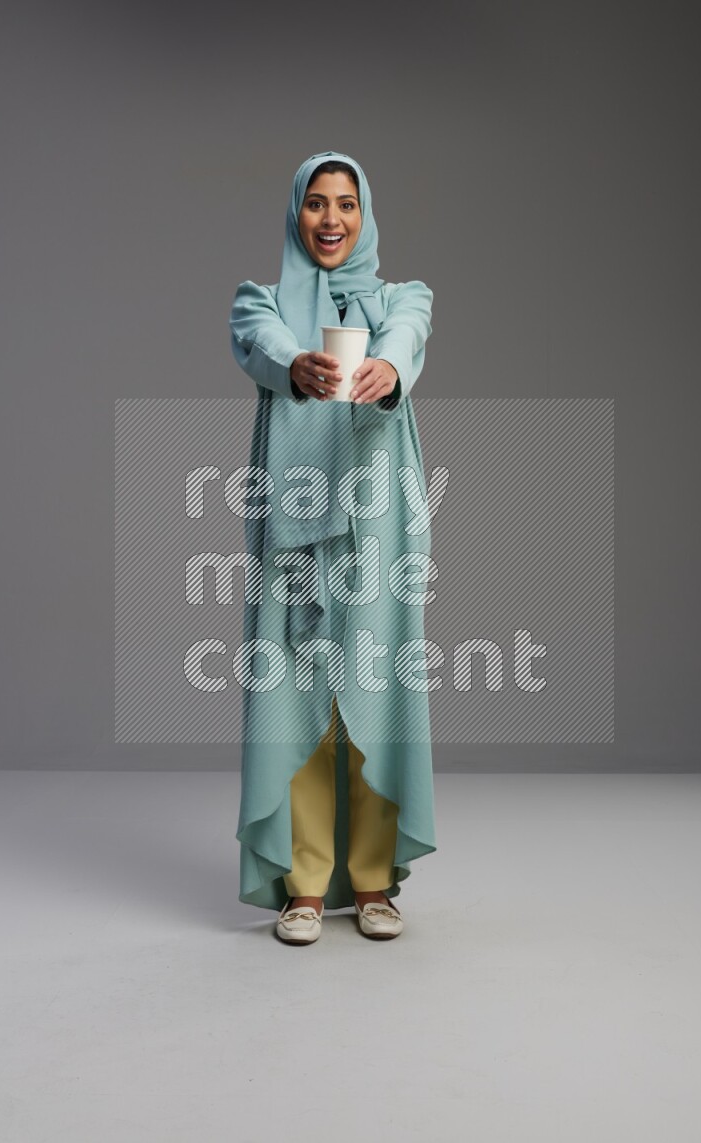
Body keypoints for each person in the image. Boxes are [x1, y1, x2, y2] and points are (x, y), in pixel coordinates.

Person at [229, 150, 436, 944]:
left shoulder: (397, 298)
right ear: (296, 213)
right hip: (294, 522)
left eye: (346, 204)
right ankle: (307, 885)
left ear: (365, 213)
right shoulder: (263, 303)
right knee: (298, 700)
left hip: (378, 520)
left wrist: (385, 364)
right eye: (316, 203)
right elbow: (261, 343)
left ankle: (376, 881)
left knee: (376, 692)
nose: (330, 219)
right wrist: (299, 366)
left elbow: (407, 333)